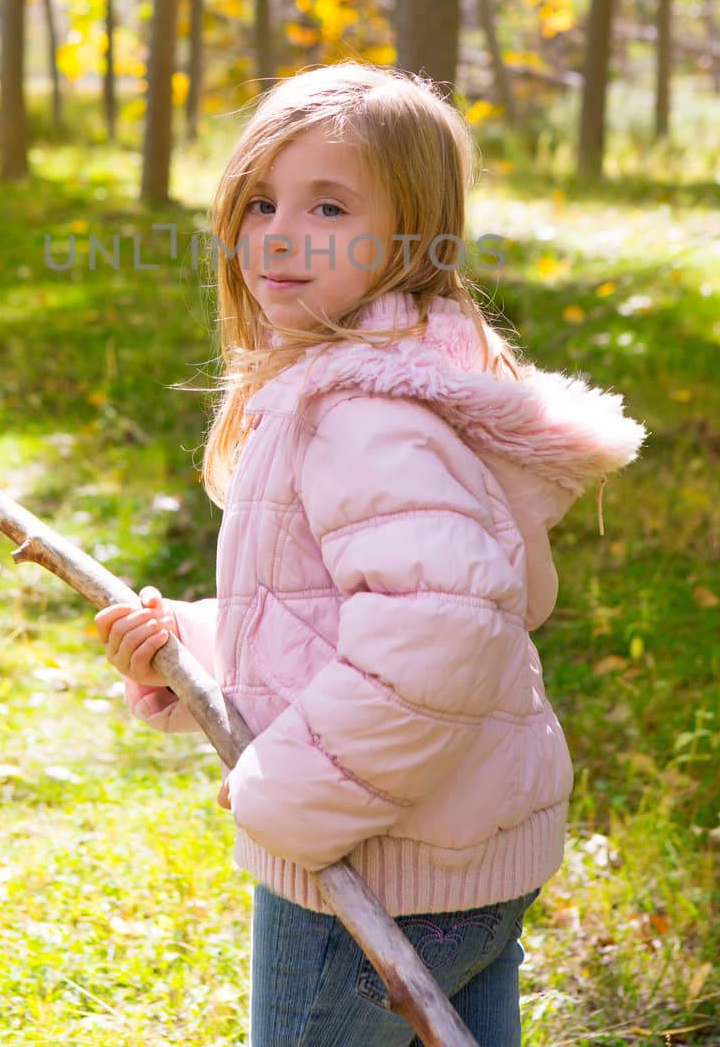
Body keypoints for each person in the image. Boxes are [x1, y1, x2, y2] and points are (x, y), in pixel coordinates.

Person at [94, 62, 646, 1046]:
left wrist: (285, 794)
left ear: (412, 238)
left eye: (329, 204)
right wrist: (187, 644)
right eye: (261, 200)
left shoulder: (361, 416)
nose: (279, 231)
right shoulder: (402, 382)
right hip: (455, 857)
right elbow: (357, 613)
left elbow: (438, 634)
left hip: (372, 876)